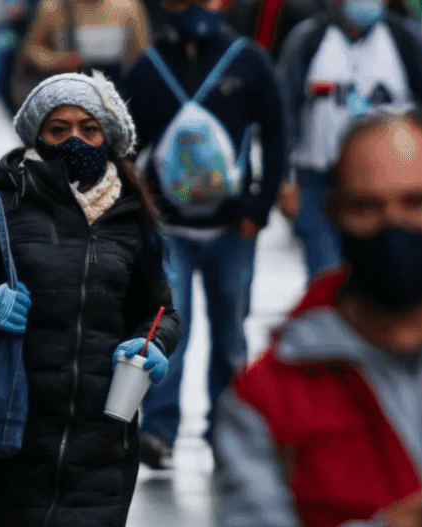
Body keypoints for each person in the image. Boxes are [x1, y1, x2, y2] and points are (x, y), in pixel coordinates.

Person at [213, 111, 422, 527]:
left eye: (417, 202)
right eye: (366, 207)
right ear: (336, 215)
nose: (393, 226)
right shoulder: (266, 399)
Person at [0, 71, 180, 526]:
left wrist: (152, 344)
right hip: (8, 439)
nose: (74, 139)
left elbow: (161, 313)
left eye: (88, 128)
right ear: (37, 134)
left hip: (102, 445)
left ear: (107, 138)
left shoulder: (132, 219)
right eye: (59, 129)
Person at [122, 0, 288, 468]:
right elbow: (123, 144)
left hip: (233, 229)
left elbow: (276, 133)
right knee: (172, 333)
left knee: (231, 336)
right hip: (169, 229)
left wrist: (260, 205)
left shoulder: (247, 59)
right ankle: (158, 431)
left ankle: (226, 431)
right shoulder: (149, 67)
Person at [276, 0, 422, 281]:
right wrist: (283, 178)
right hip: (321, 179)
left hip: (389, 183)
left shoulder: (404, 39)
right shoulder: (310, 38)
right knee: (326, 274)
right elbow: (285, 110)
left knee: (384, 276)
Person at [16, 0, 152, 97]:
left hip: (116, 90)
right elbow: (31, 48)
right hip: (70, 92)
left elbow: (144, 53)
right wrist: (55, 60)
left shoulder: (128, 5)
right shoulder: (55, 6)